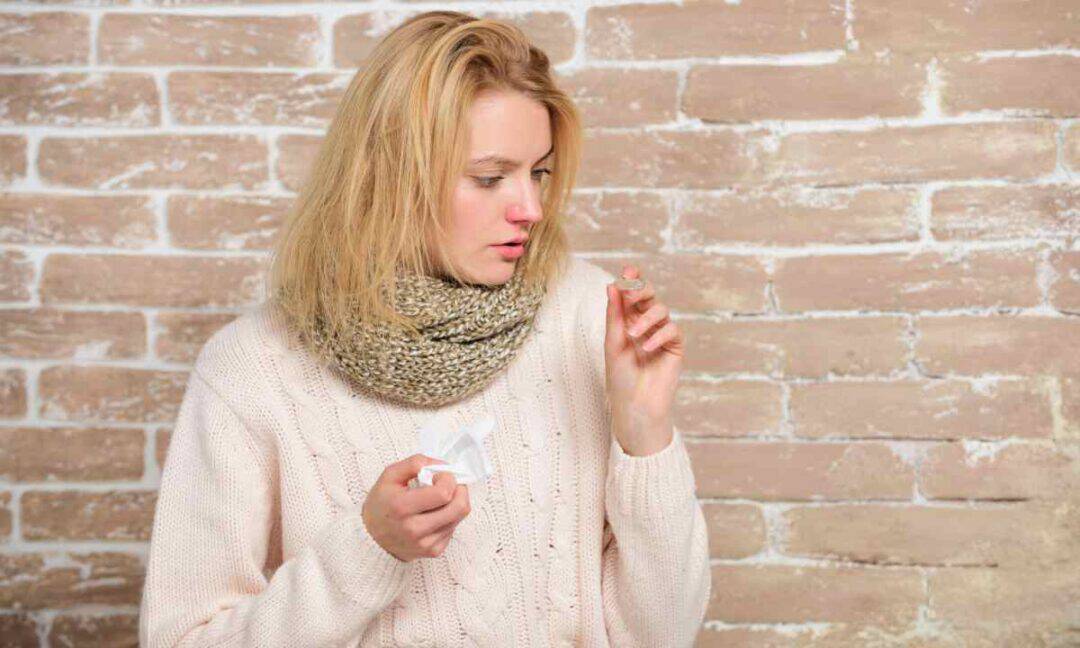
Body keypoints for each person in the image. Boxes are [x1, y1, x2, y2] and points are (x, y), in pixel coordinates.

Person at [138, 10, 710, 647]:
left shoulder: (587, 316)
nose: (531, 209)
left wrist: (645, 435)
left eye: (539, 172)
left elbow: (665, 635)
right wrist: (366, 551)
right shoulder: (254, 367)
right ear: (390, 176)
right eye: (490, 178)